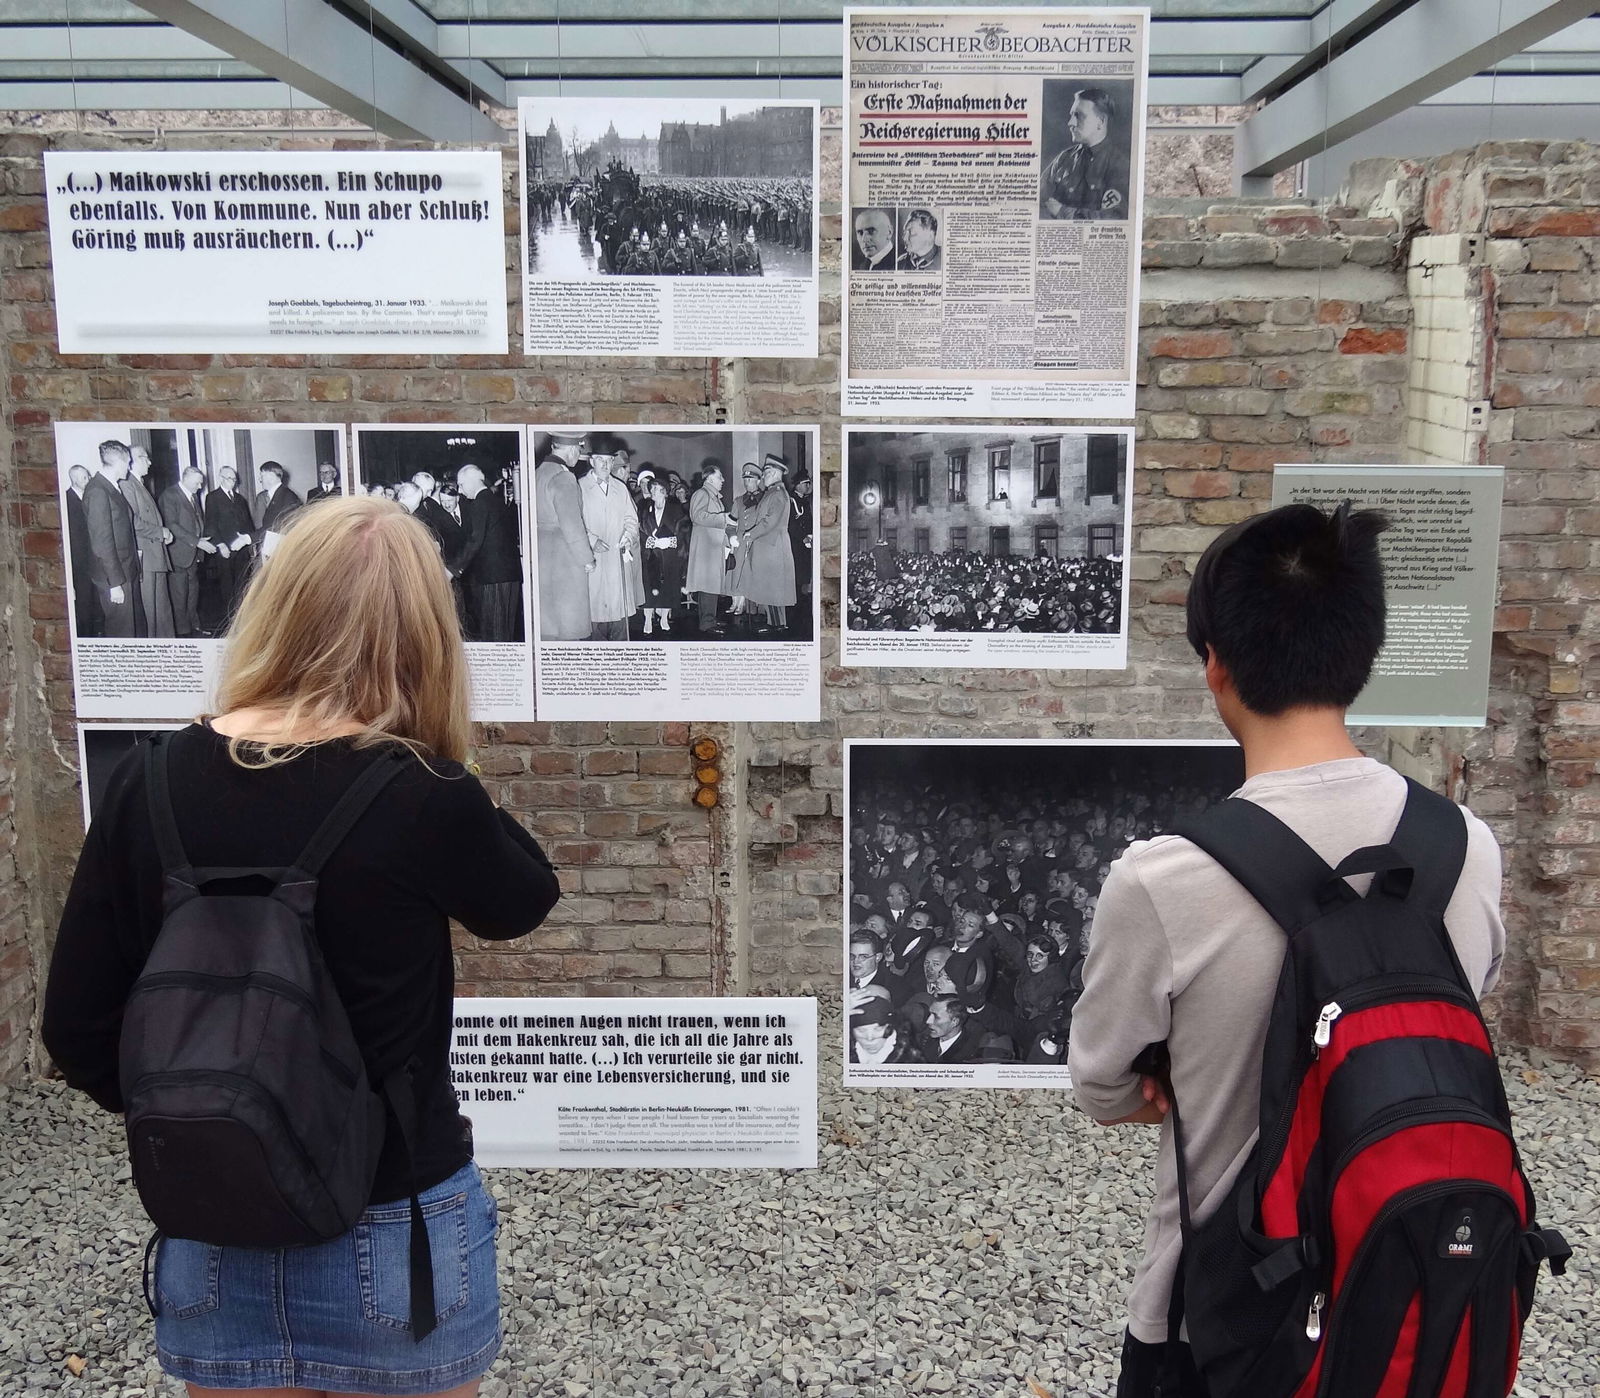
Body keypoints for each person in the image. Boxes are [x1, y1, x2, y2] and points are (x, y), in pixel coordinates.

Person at [41, 493, 562, 1398]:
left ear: (273, 607)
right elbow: (524, 899)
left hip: (213, 1224)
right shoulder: (424, 795)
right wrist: (443, 753)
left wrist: (223, 1114)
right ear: (427, 635)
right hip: (395, 1222)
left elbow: (80, 1030)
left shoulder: (147, 781)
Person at [1068, 503, 1505, 1397]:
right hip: (1419, 1296)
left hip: (1223, 1318)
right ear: (1364, 654)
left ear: (1215, 666)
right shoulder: (1466, 846)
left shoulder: (1163, 880)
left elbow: (1103, 1087)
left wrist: (1180, 1079)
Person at [578, 440, 643, 641]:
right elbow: (573, 521)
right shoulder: (579, 486)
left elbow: (632, 519)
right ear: (591, 461)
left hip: (616, 560)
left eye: (609, 460)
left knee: (619, 614)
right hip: (593, 558)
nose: (605, 465)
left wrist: (628, 535)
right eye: (600, 460)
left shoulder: (621, 488)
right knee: (594, 615)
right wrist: (592, 540)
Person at [534, 433, 595, 641]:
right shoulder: (563, 477)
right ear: (572, 450)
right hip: (564, 557)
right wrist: (587, 559)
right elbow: (572, 524)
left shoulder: (537, 473)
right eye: (579, 451)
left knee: (548, 623)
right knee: (568, 624)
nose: (578, 457)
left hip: (541, 554)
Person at [454, 465, 523, 643]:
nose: (460, 491)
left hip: (492, 578)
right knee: (507, 631)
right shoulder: (497, 500)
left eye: (461, 485)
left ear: (473, 481)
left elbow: (474, 541)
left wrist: (453, 569)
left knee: (494, 634)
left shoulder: (479, 503)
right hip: (510, 575)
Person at [84, 440, 145, 637]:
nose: (129, 467)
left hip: (126, 569)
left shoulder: (110, 487)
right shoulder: (97, 491)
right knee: (123, 632)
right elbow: (102, 543)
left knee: (134, 628)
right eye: (128, 463)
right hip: (115, 575)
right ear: (119, 462)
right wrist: (115, 583)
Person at [1041, 87, 1130, 221]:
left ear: (1100, 121)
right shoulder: (1064, 159)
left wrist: (1062, 211)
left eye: (1078, 115)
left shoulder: (1120, 165)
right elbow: (1037, 199)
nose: (1070, 122)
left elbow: (1112, 218)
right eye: (1071, 115)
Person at [123, 444, 175, 637]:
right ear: (132, 461)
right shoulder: (127, 485)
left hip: (155, 555)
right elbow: (133, 522)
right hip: (145, 556)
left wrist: (163, 533)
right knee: (151, 612)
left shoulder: (139, 484)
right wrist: (160, 531)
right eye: (145, 457)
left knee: (162, 610)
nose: (150, 461)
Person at [159, 465, 214, 638]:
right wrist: (196, 542)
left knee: (192, 595)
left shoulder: (192, 496)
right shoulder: (170, 495)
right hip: (178, 556)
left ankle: (194, 628)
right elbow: (172, 525)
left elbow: (195, 523)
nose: (200, 487)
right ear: (187, 478)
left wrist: (200, 541)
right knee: (179, 597)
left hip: (192, 556)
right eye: (198, 483)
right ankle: (183, 634)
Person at [202, 465, 256, 628]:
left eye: (234, 479)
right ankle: (230, 621)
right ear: (221, 478)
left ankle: (242, 617)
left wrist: (251, 544)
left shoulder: (240, 499)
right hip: (225, 549)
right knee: (227, 586)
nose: (232, 482)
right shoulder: (213, 497)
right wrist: (220, 545)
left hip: (242, 550)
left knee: (243, 583)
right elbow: (210, 524)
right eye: (228, 478)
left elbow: (248, 524)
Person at [686, 463, 734, 635]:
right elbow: (697, 516)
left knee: (712, 585)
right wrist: (723, 518)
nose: (723, 480)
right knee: (707, 585)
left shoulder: (714, 497)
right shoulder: (702, 494)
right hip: (706, 550)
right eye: (720, 476)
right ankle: (706, 623)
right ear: (710, 478)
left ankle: (710, 619)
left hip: (713, 548)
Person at [638, 474, 685, 635]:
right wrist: (650, 542)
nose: (654, 493)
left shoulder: (675, 509)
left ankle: (664, 618)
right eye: (652, 490)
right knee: (649, 588)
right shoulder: (645, 508)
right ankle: (647, 619)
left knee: (668, 588)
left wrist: (672, 541)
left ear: (665, 493)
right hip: (651, 555)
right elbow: (640, 529)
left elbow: (684, 530)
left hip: (669, 556)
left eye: (658, 490)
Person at [64, 464, 102, 638]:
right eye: (85, 477)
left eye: (88, 475)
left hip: (92, 559)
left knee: (95, 600)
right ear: (75, 480)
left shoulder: (88, 498)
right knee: (84, 601)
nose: (88, 479)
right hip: (80, 562)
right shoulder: (67, 501)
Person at [252, 461, 304, 560]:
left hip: (281, 549)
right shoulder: (278, 494)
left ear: (271, 477)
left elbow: (275, 525)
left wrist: (249, 538)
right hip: (273, 546)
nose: (259, 479)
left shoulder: (288, 496)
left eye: (261, 476)